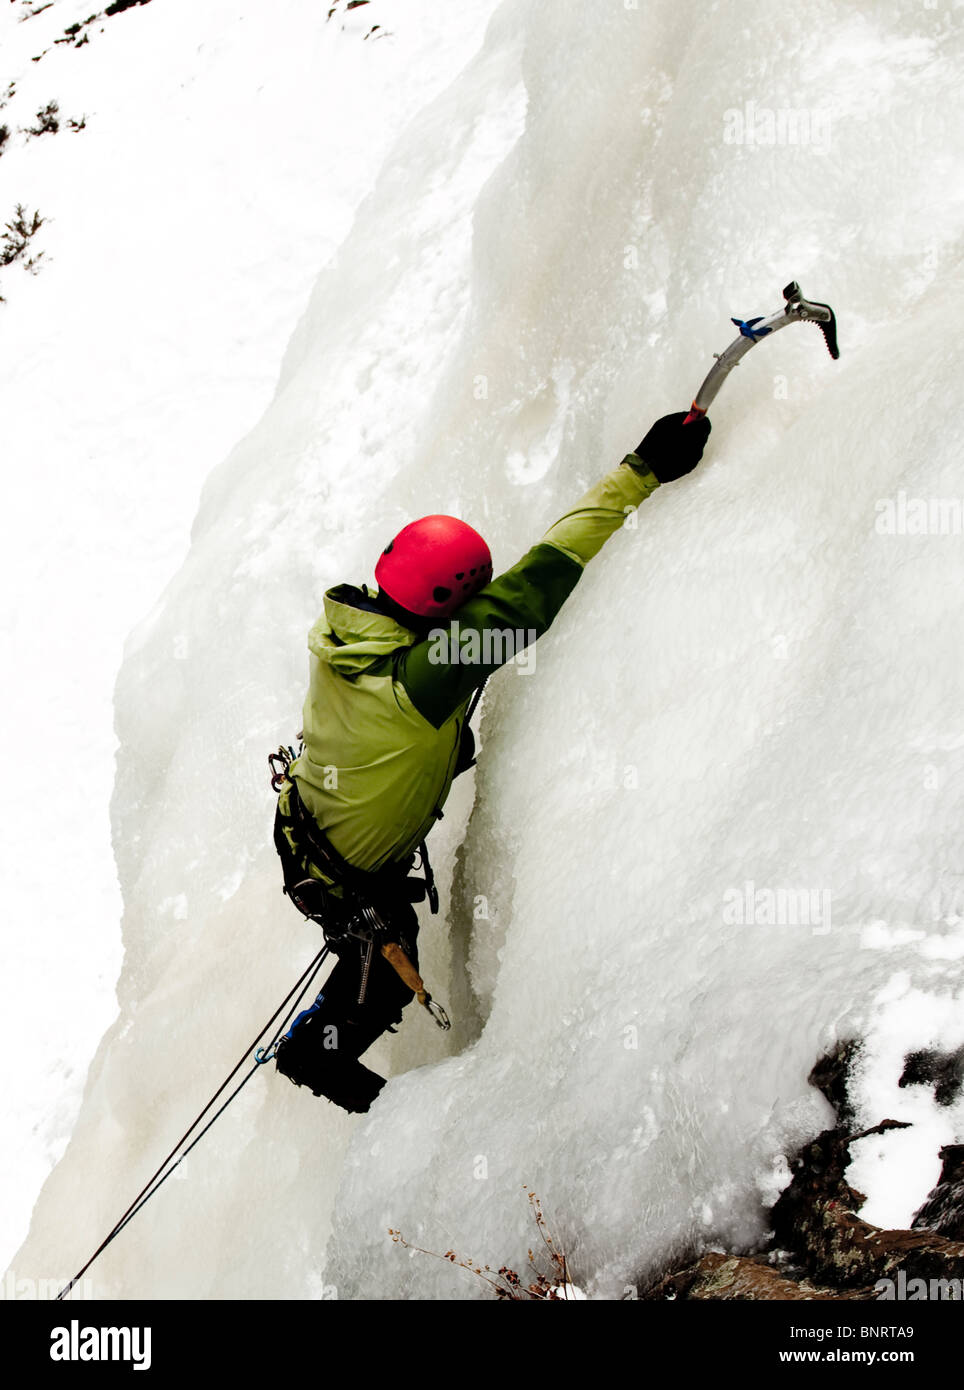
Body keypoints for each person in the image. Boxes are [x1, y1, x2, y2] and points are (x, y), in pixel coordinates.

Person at [271, 411, 711, 1112]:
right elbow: (537, 583)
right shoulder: (429, 674)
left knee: (376, 942)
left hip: (311, 832)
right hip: (348, 870)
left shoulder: (350, 627)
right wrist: (642, 472)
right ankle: (322, 1061)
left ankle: (329, 1049)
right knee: (388, 960)